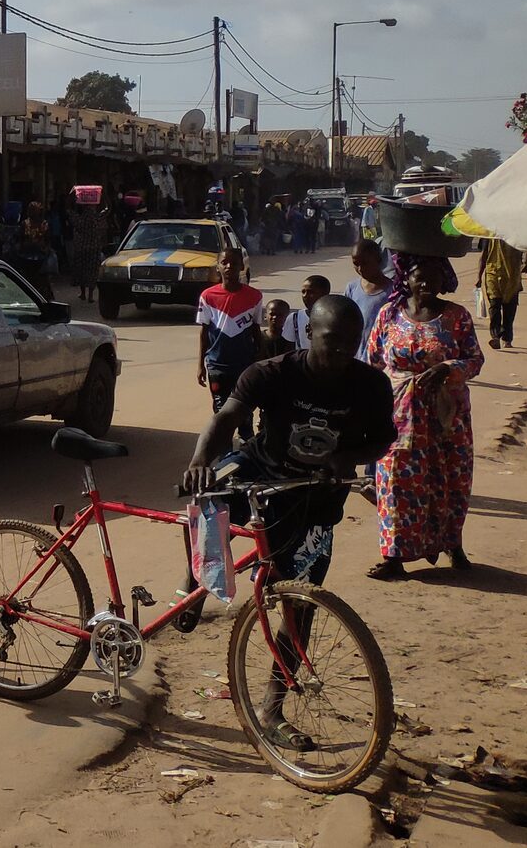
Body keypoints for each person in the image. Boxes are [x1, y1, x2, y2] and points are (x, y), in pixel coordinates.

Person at [179, 295, 397, 746]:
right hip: (261, 469)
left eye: (349, 345)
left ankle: (272, 709)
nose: (339, 353)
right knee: (209, 496)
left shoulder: (371, 385)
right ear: (310, 334)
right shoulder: (272, 372)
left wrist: (348, 457)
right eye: (330, 342)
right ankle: (195, 584)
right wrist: (200, 459)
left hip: (317, 495)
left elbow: (380, 441)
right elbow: (227, 418)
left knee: (301, 606)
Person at [365, 253, 485, 579]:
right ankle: (393, 557)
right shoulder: (389, 315)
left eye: (434, 276)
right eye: (421, 276)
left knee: (450, 480)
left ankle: (451, 543)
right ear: (408, 279)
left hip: (447, 418)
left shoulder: (456, 317)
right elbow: (373, 360)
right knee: (394, 481)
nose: (427, 283)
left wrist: (448, 368)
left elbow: (474, 360)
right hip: (399, 415)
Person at [196, 247, 263, 444]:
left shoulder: (255, 296)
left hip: (244, 363)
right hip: (217, 363)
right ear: (218, 267)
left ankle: (246, 452)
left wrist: (259, 359)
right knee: (220, 409)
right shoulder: (208, 296)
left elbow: (256, 330)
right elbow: (203, 332)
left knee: (245, 410)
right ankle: (224, 452)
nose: (228, 266)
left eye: (234, 263)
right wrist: (200, 364)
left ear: (242, 266)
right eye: (224, 262)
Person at [342, 240, 391, 357]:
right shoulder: (351, 288)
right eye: (355, 263)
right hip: (357, 355)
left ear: (378, 260)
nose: (360, 268)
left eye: (365, 263)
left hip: (382, 356)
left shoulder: (393, 291)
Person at [481, 238, 521, 350]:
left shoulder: (517, 235)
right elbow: (484, 255)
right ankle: (495, 336)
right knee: (494, 307)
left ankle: (507, 338)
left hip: (512, 277)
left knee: (509, 309)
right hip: (493, 274)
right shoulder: (490, 235)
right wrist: (479, 276)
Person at [69, 200, 110, 303]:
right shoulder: (97, 219)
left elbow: (70, 213)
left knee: (82, 271)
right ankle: (90, 295)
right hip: (94, 249)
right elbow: (107, 210)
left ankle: (83, 293)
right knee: (92, 272)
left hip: (81, 249)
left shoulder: (80, 220)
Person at [281, 275, 330, 350]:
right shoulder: (294, 318)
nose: (305, 296)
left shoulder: (333, 318)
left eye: (311, 292)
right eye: (303, 292)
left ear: (325, 294)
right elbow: (289, 348)